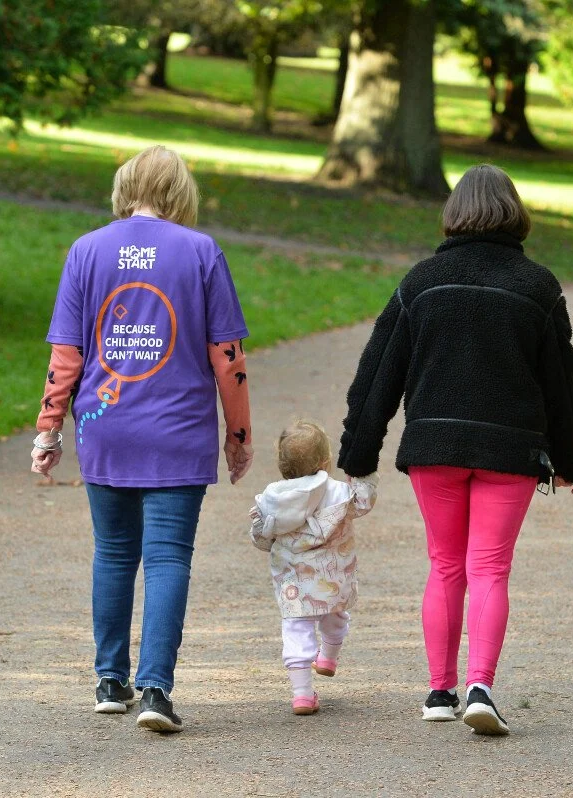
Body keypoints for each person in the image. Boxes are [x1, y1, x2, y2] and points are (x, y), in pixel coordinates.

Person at [337, 164, 573, 736]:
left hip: (435, 444)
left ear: (453, 214)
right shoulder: (538, 287)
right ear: (514, 213)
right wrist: (571, 458)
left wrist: (359, 454)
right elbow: (559, 384)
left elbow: (377, 374)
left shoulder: (422, 282)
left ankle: (438, 691)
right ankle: (481, 685)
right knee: (491, 567)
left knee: (445, 564)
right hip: (512, 452)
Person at [29, 145, 254, 734]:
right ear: (182, 194)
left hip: (105, 428)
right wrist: (239, 434)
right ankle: (156, 691)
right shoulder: (202, 253)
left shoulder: (86, 251)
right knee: (167, 557)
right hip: (178, 434)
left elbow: (66, 355)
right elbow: (227, 359)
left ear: (124, 188)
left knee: (113, 552)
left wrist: (49, 427)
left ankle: (109, 680)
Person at [249, 421, 377, 716]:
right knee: (336, 614)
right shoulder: (337, 492)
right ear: (325, 462)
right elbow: (363, 501)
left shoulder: (273, 499)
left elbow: (260, 537)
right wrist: (364, 475)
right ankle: (328, 659)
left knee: (296, 628)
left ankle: (302, 695)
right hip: (334, 575)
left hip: (293, 579)